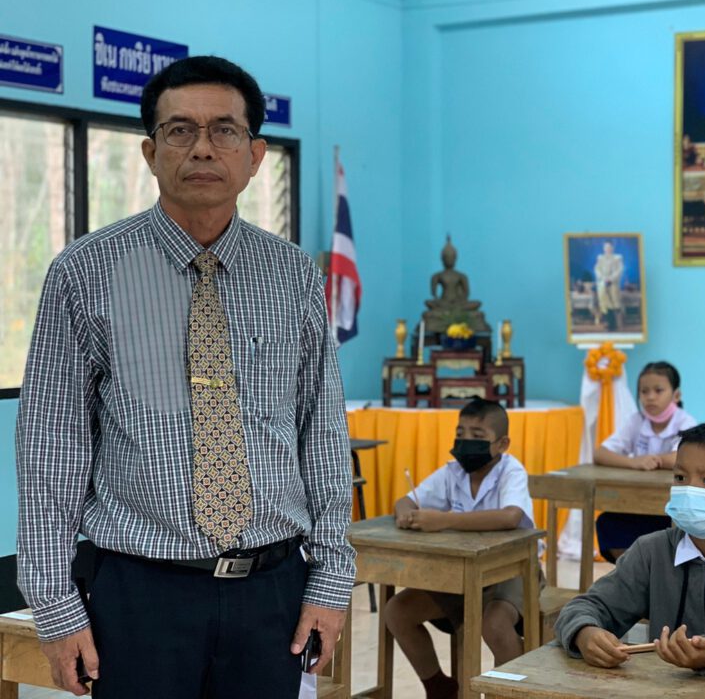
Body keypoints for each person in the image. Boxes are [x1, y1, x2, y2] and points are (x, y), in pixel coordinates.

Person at [15, 55, 354, 699]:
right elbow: (52, 448)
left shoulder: (293, 276)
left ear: (255, 156)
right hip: (138, 594)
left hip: (272, 593)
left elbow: (322, 434)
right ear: (150, 152)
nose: (202, 147)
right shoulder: (85, 273)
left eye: (224, 130)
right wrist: (55, 608)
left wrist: (332, 580)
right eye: (179, 130)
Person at [556, 422, 705, 675]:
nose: (689, 490)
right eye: (680, 478)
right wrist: (585, 632)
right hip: (666, 688)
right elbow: (585, 607)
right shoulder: (652, 551)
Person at [384, 399, 537, 699]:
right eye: (460, 433)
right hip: (461, 575)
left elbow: (510, 516)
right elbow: (405, 500)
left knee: (494, 625)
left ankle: (510, 694)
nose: (466, 441)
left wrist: (444, 520)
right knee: (397, 612)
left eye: (477, 436)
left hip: (511, 572)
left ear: (502, 444)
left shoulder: (511, 471)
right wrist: (406, 514)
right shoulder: (452, 473)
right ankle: (440, 687)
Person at [593, 361, 697, 561]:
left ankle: (651, 572)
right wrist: (633, 462)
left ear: (676, 395)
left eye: (658, 390)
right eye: (644, 391)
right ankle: (634, 572)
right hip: (637, 501)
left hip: (671, 508)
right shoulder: (636, 420)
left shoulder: (686, 422)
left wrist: (656, 460)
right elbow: (600, 454)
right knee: (607, 522)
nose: (650, 397)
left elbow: (683, 458)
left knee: (673, 532)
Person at [593, 241, 624, 330]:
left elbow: (619, 270)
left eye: (609, 247)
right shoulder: (600, 258)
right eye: (606, 247)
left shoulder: (618, 258)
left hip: (613, 284)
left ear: (612, 248)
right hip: (603, 284)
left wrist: (611, 279)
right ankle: (608, 323)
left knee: (614, 304)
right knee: (604, 304)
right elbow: (597, 269)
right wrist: (603, 278)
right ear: (603, 248)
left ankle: (614, 324)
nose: (607, 249)